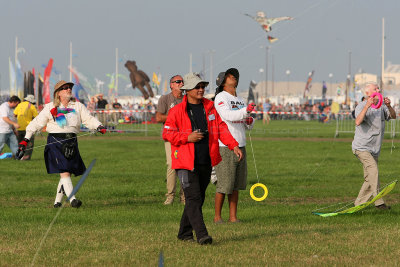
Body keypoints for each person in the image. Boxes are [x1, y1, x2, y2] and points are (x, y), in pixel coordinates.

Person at [162, 73, 242, 245]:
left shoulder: (210, 106)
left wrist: (233, 144)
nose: (200, 90)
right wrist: (187, 137)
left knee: (197, 198)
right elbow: (167, 133)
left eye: (202, 87)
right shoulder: (176, 111)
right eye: (197, 87)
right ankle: (202, 234)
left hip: (206, 160)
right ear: (187, 90)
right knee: (193, 198)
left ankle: (184, 233)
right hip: (185, 162)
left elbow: (221, 127)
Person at [16, 80, 107, 208]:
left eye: (69, 87)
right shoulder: (50, 107)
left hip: (71, 141)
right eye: (65, 88)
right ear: (58, 93)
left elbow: (88, 119)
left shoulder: (77, 106)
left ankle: (57, 202)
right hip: (55, 142)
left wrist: (99, 126)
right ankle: (73, 200)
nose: (68, 89)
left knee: (67, 171)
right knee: (64, 171)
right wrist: (25, 140)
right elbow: (36, 123)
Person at [213, 68, 255, 223]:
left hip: (241, 144)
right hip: (225, 145)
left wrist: (250, 120)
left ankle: (233, 217)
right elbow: (227, 116)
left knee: (236, 185)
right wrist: (245, 112)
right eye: (230, 76)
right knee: (224, 184)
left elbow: (245, 122)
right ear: (223, 81)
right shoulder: (220, 97)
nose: (234, 78)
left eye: (235, 76)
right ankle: (217, 217)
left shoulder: (240, 99)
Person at [352, 82, 396, 210]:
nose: (379, 89)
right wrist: (367, 105)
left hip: (374, 149)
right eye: (375, 88)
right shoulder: (361, 106)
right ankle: (379, 203)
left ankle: (358, 204)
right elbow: (358, 121)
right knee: (374, 171)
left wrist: (389, 106)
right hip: (361, 148)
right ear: (367, 93)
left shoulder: (382, 107)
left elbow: (393, 116)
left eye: (378, 88)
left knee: (369, 178)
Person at [156, 75, 185, 205]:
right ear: (171, 85)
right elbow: (159, 117)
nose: (181, 83)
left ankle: (184, 197)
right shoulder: (165, 99)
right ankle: (170, 196)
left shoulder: (187, 98)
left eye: (182, 81)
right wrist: (175, 115)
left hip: (186, 137)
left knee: (186, 166)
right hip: (171, 137)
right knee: (172, 165)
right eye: (177, 81)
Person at [13, 94, 38, 160]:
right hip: (28, 129)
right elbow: (37, 117)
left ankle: (18, 157)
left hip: (19, 128)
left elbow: (14, 115)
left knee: (20, 143)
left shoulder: (19, 105)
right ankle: (26, 157)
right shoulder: (32, 106)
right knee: (29, 144)